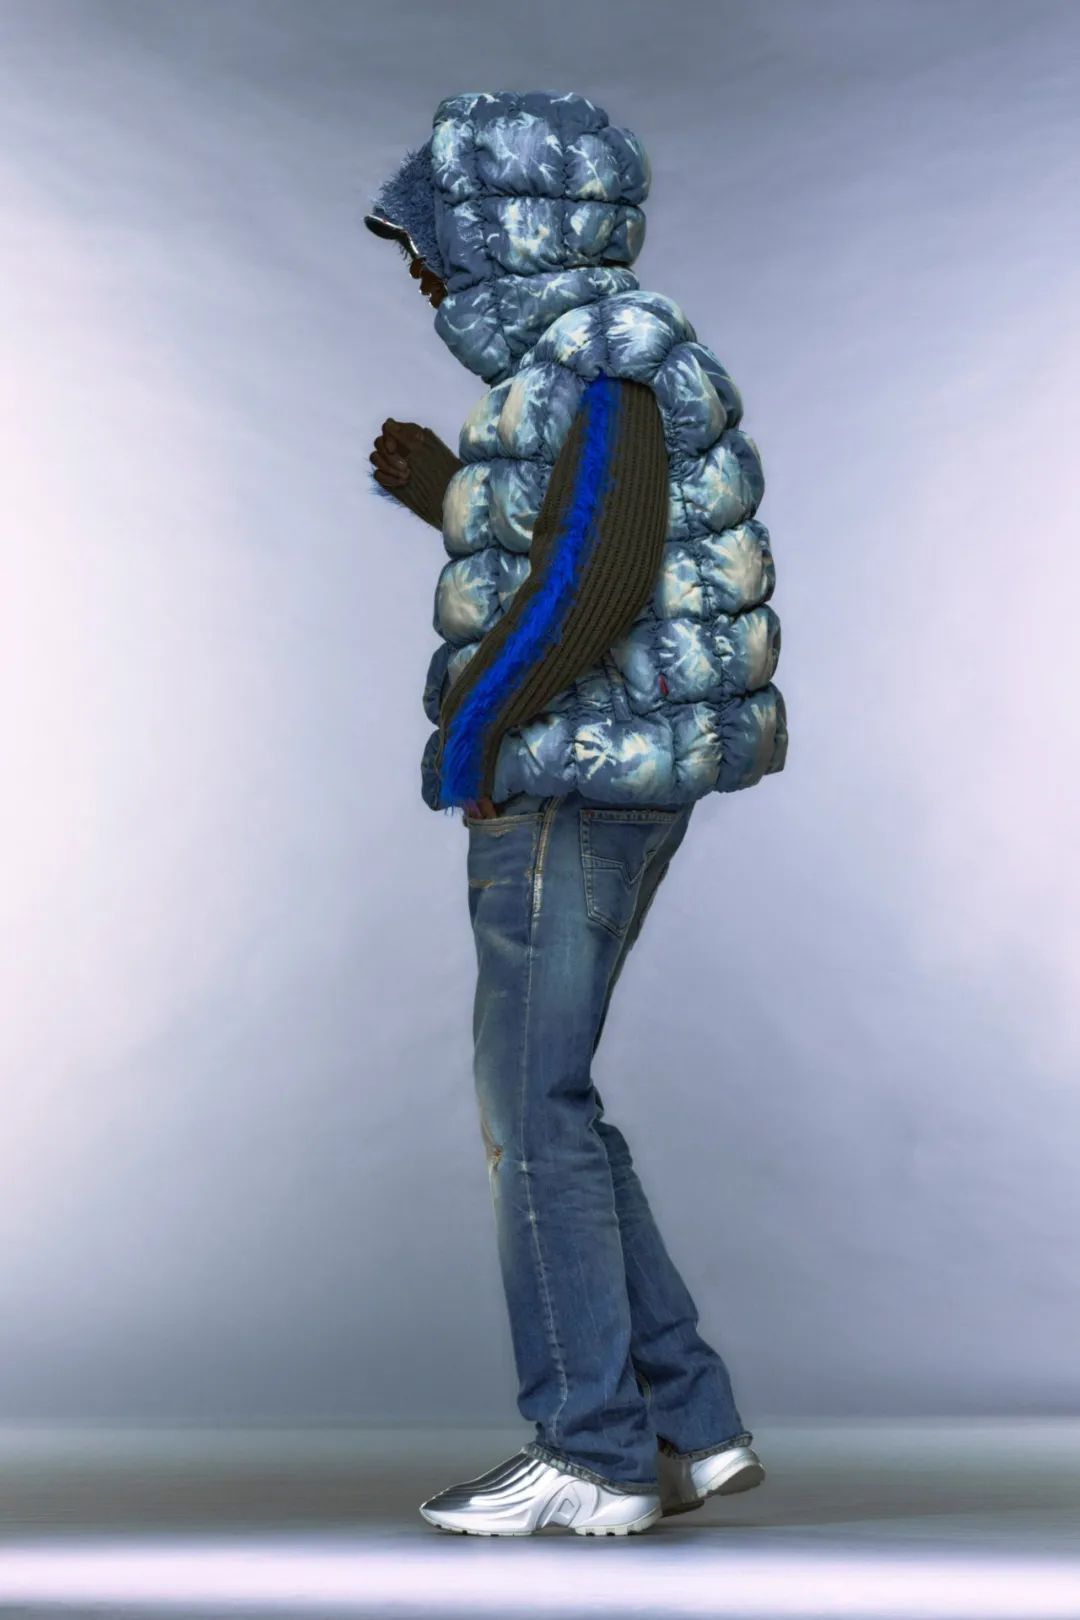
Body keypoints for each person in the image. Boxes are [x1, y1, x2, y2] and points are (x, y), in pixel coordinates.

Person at [364, 89, 787, 1537]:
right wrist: (446, 493)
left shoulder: (603, 361)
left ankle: (593, 1454)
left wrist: (473, 739)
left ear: (511, 231)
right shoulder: (588, 362)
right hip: (604, 769)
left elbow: (594, 583)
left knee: (530, 1113)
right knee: (554, 1103)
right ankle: (691, 1421)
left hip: (571, 780)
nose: (424, 272)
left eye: (437, 242)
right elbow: (600, 540)